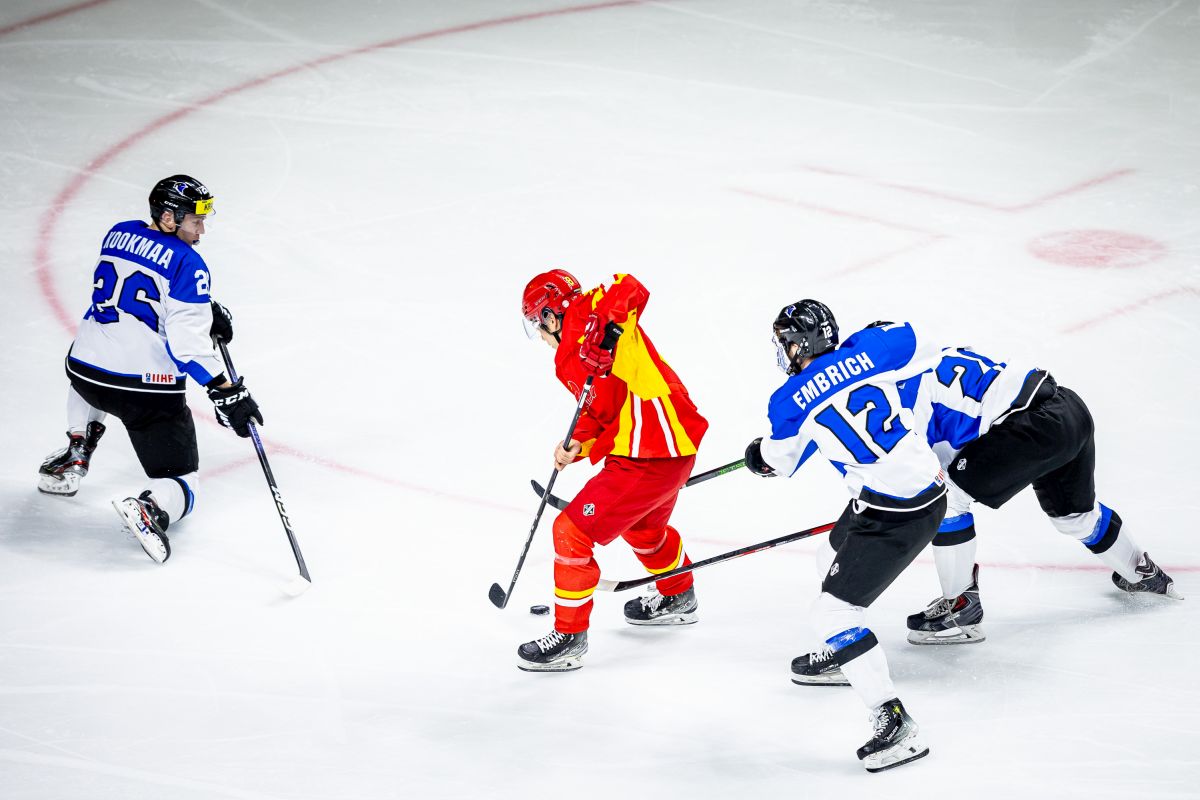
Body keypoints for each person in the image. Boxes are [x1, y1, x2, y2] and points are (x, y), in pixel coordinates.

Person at [745, 303, 945, 773]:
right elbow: (920, 340)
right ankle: (845, 657)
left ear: (801, 344)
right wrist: (862, 353)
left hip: (897, 513)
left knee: (832, 612)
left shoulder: (787, 400)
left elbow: (780, 462)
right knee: (829, 556)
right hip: (914, 489)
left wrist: (757, 454)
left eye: (786, 342)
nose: (783, 351)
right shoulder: (872, 348)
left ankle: (895, 722)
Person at [37, 175, 263, 563]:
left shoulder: (118, 233)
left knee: (96, 353)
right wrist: (226, 391)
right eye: (196, 221)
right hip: (145, 394)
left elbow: (141, 284)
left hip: (86, 377)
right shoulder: (190, 264)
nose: (202, 231)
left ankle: (77, 448)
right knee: (183, 480)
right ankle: (152, 508)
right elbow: (187, 348)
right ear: (170, 218)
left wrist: (204, 308)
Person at [892, 346, 1182, 645]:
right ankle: (1142, 572)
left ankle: (960, 607)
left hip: (1033, 429)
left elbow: (931, 471)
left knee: (947, 497)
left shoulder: (903, 399)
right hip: (1068, 407)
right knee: (1075, 517)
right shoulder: (937, 354)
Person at [516, 270, 709, 672]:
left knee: (569, 532)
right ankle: (677, 594)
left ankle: (569, 637)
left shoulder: (593, 310)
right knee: (643, 530)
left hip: (652, 451)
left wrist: (603, 330)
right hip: (654, 453)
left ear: (551, 315)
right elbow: (601, 410)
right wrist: (578, 443)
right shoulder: (568, 361)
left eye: (538, 321)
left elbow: (630, 288)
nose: (540, 333)